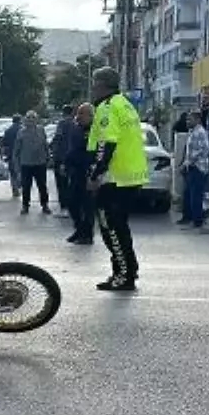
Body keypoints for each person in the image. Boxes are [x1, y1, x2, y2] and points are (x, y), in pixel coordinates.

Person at [87, 67, 148, 291]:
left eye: (94, 83)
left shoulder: (107, 107)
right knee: (120, 228)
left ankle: (123, 274)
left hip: (114, 179)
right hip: (129, 177)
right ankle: (127, 271)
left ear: (102, 85)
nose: (92, 88)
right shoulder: (124, 103)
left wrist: (95, 175)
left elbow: (106, 144)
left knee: (111, 229)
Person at [64, 102, 96, 244]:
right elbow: (72, 149)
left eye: (82, 113)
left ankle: (87, 234)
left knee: (87, 206)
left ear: (91, 115)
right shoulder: (77, 129)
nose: (79, 116)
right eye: (78, 113)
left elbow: (94, 153)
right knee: (71, 202)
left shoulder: (95, 131)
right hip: (76, 171)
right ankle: (79, 229)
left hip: (88, 172)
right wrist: (66, 163)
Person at [12, 110, 52, 214]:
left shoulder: (41, 130)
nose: (30, 120)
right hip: (26, 163)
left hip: (40, 163)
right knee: (26, 186)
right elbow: (16, 150)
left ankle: (45, 205)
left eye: (33, 118)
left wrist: (48, 157)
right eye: (28, 118)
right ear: (25, 120)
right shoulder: (21, 132)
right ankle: (25, 206)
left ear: (37, 120)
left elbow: (45, 145)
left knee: (42, 185)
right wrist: (16, 166)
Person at [177, 110, 209, 229]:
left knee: (195, 195)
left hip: (198, 167)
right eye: (187, 119)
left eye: (189, 119)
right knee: (187, 194)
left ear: (197, 120)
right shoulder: (192, 132)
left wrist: (190, 162)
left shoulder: (200, 132)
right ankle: (188, 217)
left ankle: (197, 220)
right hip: (190, 166)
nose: (187, 122)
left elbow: (205, 149)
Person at [49, 105, 75, 214]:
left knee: (61, 183)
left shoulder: (62, 124)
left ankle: (64, 207)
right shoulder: (76, 123)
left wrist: (51, 149)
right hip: (74, 157)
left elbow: (57, 138)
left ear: (63, 113)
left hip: (61, 157)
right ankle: (73, 206)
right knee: (72, 182)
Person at [1, 114, 22, 198]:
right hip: (22, 154)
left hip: (10, 154)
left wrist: (2, 156)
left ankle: (14, 188)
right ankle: (19, 185)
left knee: (12, 172)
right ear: (20, 120)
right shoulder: (22, 129)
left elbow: (3, 144)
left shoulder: (8, 130)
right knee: (21, 171)